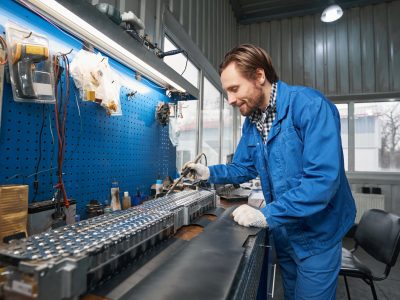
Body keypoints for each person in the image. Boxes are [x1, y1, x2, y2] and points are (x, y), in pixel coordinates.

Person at [185, 44, 356, 300]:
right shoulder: (253, 122)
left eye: (234, 89)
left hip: (318, 233)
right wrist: (209, 172)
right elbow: (244, 166)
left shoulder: (310, 107)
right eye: (226, 92)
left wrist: (267, 215)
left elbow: (321, 182)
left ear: (259, 76)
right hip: (286, 229)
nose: (230, 100)